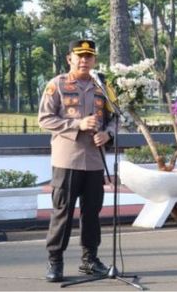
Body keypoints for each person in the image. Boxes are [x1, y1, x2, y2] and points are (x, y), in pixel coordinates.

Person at [38, 39, 115, 282]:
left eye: (89, 56)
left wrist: (108, 133)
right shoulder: (57, 85)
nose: (84, 60)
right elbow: (45, 119)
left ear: (94, 60)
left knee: (92, 213)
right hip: (67, 160)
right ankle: (55, 261)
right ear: (69, 58)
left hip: (94, 160)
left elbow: (116, 118)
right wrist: (76, 124)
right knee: (63, 212)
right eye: (79, 56)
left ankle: (90, 260)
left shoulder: (103, 86)